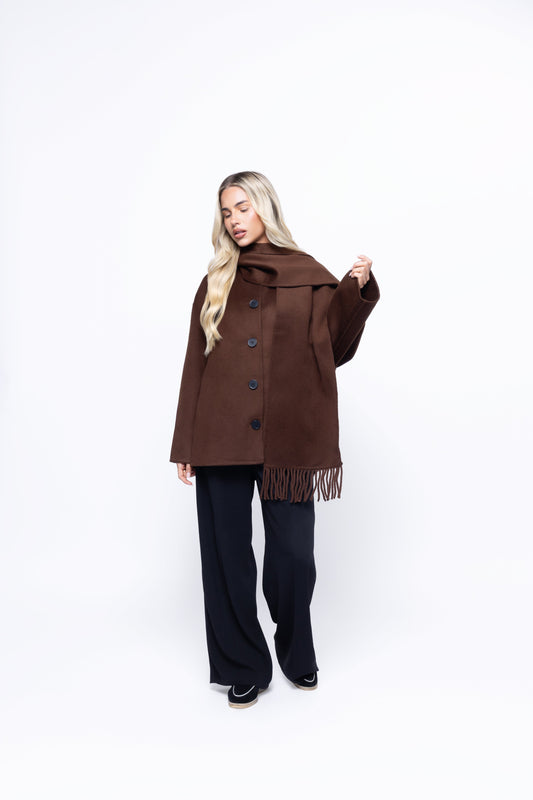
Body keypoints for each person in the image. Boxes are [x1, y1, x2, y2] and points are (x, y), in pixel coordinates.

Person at [169, 170, 380, 709]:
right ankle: (242, 664)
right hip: (219, 435)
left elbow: (334, 347)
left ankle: (296, 648)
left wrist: (354, 291)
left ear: (265, 207)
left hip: (289, 437)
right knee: (227, 555)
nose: (234, 220)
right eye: (226, 212)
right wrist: (185, 443)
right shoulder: (217, 280)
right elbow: (196, 363)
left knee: (292, 554)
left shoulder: (306, 274)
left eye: (242, 207)